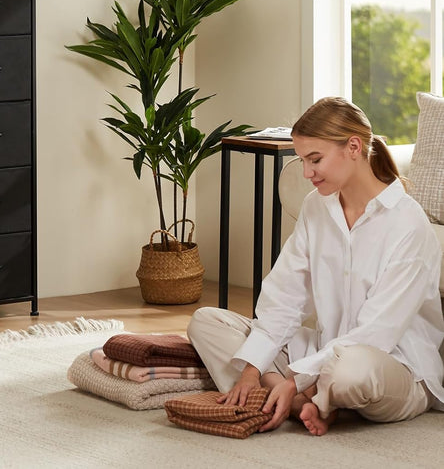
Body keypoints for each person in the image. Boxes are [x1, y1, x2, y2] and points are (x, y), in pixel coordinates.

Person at [188, 97, 444, 436]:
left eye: (315, 159)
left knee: (350, 371)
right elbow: (284, 297)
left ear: (353, 147)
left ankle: (297, 393)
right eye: (303, 160)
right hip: (325, 351)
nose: (307, 173)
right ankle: (304, 401)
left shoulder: (409, 224)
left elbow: (376, 335)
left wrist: (294, 381)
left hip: (394, 367)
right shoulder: (316, 207)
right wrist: (251, 370)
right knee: (207, 322)